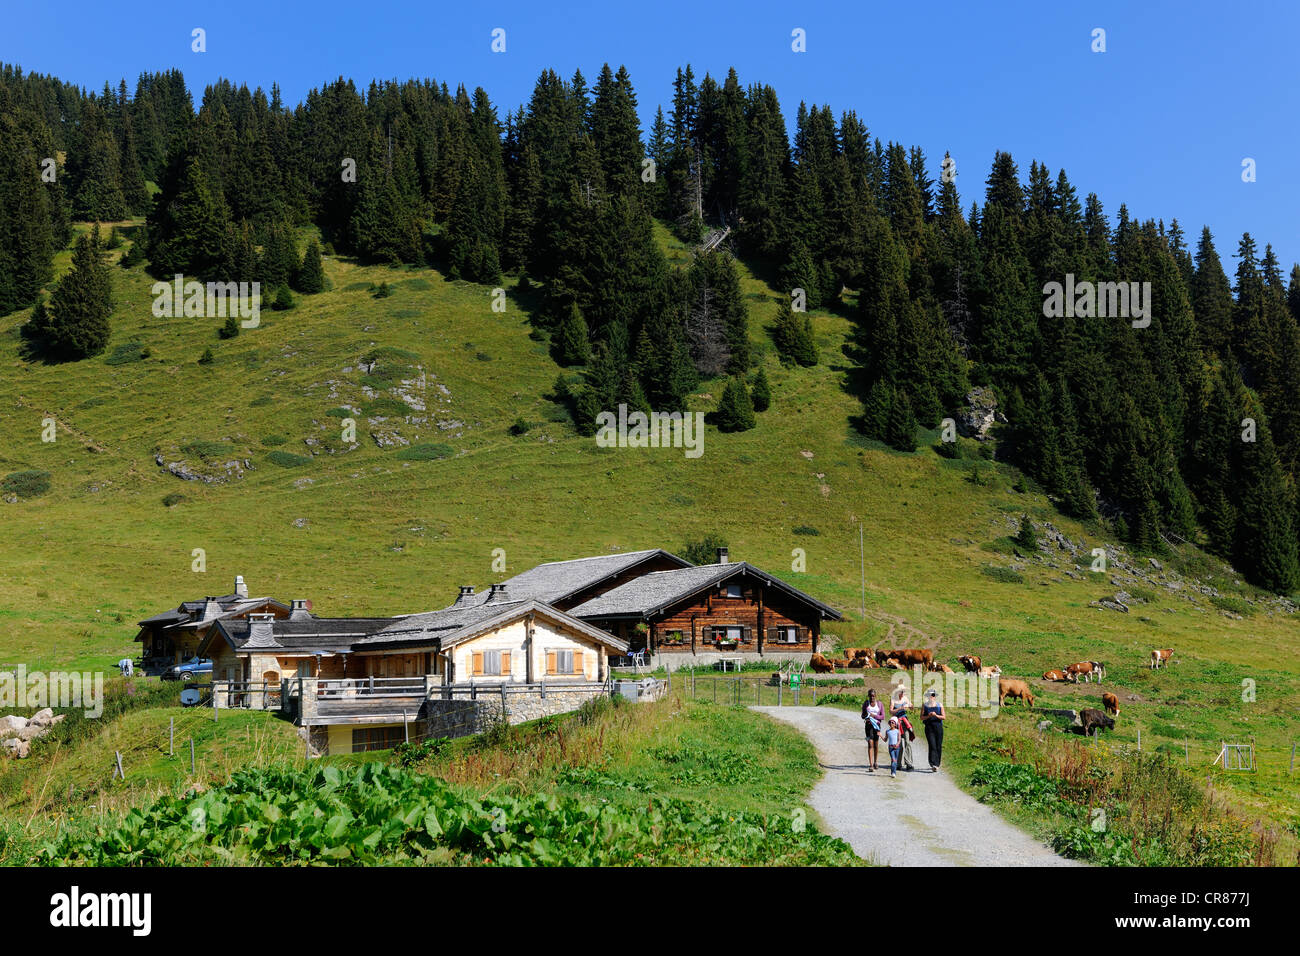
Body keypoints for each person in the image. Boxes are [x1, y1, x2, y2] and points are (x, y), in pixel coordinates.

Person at [921, 688, 946, 772]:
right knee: (932, 745)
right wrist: (928, 716)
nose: (931, 697)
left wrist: (936, 715)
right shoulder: (924, 705)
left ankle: (937, 763)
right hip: (929, 727)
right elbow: (921, 717)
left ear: (935, 696)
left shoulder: (940, 705)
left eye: (933, 695)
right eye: (930, 695)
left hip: (938, 726)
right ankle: (933, 763)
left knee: (938, 745)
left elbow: (944, 717)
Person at [861, 689, 885, 771]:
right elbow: (862, 716)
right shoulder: (866, 704)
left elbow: (883, 716)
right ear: (868, 696)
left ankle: (876, 762)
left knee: (876, 745)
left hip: (877, 726)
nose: (872, 697)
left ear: (876, 696)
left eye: (873, 696)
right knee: (870, 744)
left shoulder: (879, 704)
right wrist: (866, 716)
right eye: (870, 696)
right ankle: (871, 765)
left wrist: (874, 716)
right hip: (868, 726)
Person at [892, 687, 915, 771]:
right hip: (896, 723)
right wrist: (900, 708)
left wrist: (911, 706)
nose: (902, 694)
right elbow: (891, 711)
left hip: (904, 722)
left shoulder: (905, 698)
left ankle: (909, 763)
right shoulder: (893, 700)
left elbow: (911, 707)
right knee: (899, 744)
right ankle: (898, 764)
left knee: (907, 742)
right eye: (901, 692)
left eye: (903, 692)